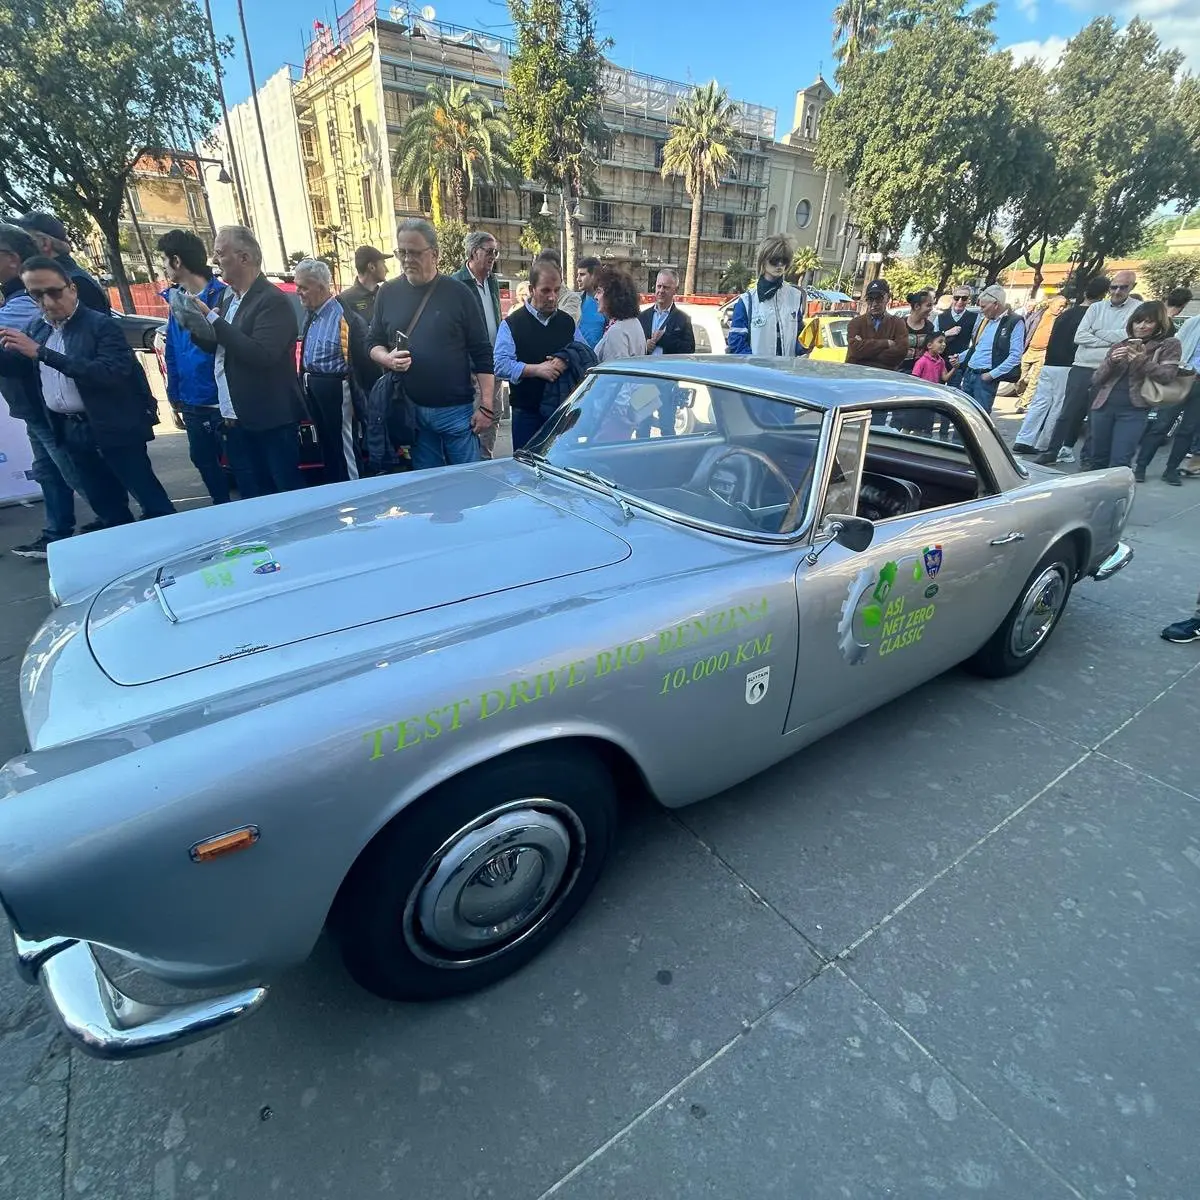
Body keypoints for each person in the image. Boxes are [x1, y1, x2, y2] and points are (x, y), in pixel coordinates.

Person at [0, 256, 174, 527]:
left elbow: (108, 374)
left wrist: (43, 354)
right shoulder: (38, 328)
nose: (47, 302)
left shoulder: (101, 325)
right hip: (70, 431)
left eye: (54, 292)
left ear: (72, 288)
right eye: (36, 295)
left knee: (151, 501)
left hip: (112, 427)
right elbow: (17, 365)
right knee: (106, 507)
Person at [174, 225, 306, 498]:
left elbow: (261, 354)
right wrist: (195, 324)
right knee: (253, 496)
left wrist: (213, 319)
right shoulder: (227, 297)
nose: (214, 261)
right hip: (235, 418)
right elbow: (221, 346)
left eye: (220, 253)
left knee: (285, 494)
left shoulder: (272, 301)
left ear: (244, 258)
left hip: (270, 420)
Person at [367, 218, 495, 470]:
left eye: (414, 252)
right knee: (430, 491)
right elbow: (372, 342)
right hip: (411, 412)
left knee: (467, 483)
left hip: (456, 413)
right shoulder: (387, 293)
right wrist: (387, 359)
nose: (406, 259)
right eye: (401, 252)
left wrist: (487, 407)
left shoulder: (459, 294)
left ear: (435, 254)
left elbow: (482, 353)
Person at [0, 223, 94, 557]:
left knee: (70, 470)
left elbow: (23, 356)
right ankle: (57, 532)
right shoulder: (15, 297)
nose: (44, 300)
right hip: (33, 404)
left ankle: (116, 521)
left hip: (45, 403)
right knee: (49, 470)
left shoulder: (22, 300)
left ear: (11, 258)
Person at [156, 228, 230, 504]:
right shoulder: (176, 301)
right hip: (192, 400)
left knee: (241, 467)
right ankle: (221, 508)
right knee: (202, 459)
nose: (164, 268)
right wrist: (174, 393)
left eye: (164, 261)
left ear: (176, 261)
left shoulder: (222, 297)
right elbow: (173, 349)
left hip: (221, 401)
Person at [1035, 270, 1138, 466]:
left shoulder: (1137, 309)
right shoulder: (1096, 308)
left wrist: (1097, 333)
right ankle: (1051, 451)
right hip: (1082, 366)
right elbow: (1079, 336)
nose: (1116, 291)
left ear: (1132, 287)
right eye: (1113, 287)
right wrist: (1111, 339)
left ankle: (1088, 457)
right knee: (1067, 412)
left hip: (1111, 369)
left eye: (1122, 287)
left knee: (1096, 416)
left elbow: (1127, 337)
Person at [295, 257, 377, 485]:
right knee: (328, 448)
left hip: (337, 389)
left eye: (303, 287)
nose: (298, 292)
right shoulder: (311, 315)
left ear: (320, 287)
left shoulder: (345, 317)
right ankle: (336, 494)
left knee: (344, 447)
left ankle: (355, 493)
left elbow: (365, 364)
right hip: (315, 389)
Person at [493, 258, 590, 450]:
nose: (552, 297)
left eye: (556, 290)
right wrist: (536, 370)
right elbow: (500, 365)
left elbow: (585, 353)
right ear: (531, 290)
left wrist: (566, 358)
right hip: (526, 414)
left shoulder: (566, 322)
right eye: (546, 290)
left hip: (562, 414)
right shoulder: (513, 324)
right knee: (526, 472)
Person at [1013, 277, 1109, 456]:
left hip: (1049, 362)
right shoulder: (1090, 316)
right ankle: (1045, 443)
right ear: (1104, 295)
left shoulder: (1066, 314)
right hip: (1068, 366)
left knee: (1040, 403)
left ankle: (1024, 439)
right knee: (1058, 406)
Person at [1083, 301, 1180, 471]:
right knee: (1097, 460)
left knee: (1120, 462)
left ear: (1159, 324)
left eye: (1148, 322)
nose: (1142, 326)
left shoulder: (1168, 344)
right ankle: (1096, 497)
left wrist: (1141, 360)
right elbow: (1096, 379)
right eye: (1138, 321)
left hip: (1134, 410)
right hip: (1103, 407)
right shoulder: (1120, 344)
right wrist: (1111, 361)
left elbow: (1167, 376)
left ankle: (1116, 497)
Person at [1134, 303, 1200, 484]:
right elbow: (1177, 343)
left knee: (1188, 429)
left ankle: (1171, 470)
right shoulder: (1194, 322)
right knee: (1161, 426)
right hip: (1182, 377)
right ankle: (1141, 466)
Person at [451, 230, 503, 459]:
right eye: (489, 252)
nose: (493, 257)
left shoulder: (492, 281)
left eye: (495, 252)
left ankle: (486, 458)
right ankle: (474, 463)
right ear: (474, 252)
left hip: (495, 363)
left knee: (495, 413)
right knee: (477, 418)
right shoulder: (456, 283)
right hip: (473, 368)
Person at [727, 235, 807, 359]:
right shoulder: (747, 301)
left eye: (784, 260)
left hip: (787, 372)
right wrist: (754, 367)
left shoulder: (796, 296)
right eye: (774, 260)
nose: (780, 264)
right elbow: (736, 342)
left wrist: (805, 346)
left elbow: (799, 336)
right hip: (757, 374)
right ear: (763, 260)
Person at [13, 212, 109, 314]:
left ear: (44, 242)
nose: (18, 250)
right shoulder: (69, 277)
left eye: (25, 242)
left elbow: (89, 328)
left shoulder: (74, 281)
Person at [957, 284, 1024, 414]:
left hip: (984, 377)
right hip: (970, 373)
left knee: (978, 419)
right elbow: (978, 347)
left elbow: (1015, 356)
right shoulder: (986, 321)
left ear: (995, 304)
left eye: (983, 307)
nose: (981, 310)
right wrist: (960, 357)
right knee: (963, 416)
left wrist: (991, 375)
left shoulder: (1014, 321)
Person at [1015, 294, 1067, 411]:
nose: (1061, 309)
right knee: (1018, 377)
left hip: (1044, 352)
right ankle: (1022, 394)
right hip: (1029, 349)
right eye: (1060, 306)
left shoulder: (1061, 319)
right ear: (1051, 304)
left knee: (1035, 379)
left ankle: (1023, 404)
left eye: (1063, 307)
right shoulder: (1039, 314)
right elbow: (1027, 328)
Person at [846, 279, 907, 371]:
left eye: (879, 298)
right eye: (870, 299)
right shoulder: (855, 323)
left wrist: (865, 352)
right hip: (857, 376)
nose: (874, 304)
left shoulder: (898, 323)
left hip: (884, 378)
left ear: (888, 298)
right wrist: (886, 343)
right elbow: (854, 350)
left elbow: (901, 352)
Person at [593, 265, 647, 362]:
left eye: (599, 292)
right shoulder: (634, 323)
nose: (595, 297)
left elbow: (614, 372)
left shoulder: (617, 331)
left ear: (612, 295)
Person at [639, 269, 695, 356]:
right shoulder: (642, 316)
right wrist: (644, 346)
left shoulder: (683, 319)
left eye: (666, 287)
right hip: (646, 368)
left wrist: (665, 339)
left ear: (675, 290)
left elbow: (689, 349)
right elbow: (632, 344)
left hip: (668, 368)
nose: (661, 291)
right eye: (659, 286)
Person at [935, 287, 978, 385]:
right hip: (939, 363)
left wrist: (960, 357)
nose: (960, 301)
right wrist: (945, 333)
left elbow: (976, 343)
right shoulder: (940, 317)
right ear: (952, 298)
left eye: (964, 298)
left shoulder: (975, 318)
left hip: (958, 366)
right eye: (957, 297)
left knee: (952, 395)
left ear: (968, 300)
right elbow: (932, 339)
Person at [338, 245, 390, 324]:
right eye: (383, 264)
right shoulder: (345, 300)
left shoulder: (387, 294)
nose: (387, 270)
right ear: (371, 267)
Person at [898, 290, 935, 374]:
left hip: (919, 374)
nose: (931, 309)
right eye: (928, 305)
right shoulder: (899, 324)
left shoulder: (930, 327)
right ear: (917, 306)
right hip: (897, 373)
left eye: (932, 305)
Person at [575, 257, 606, 348]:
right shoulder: (576, 301)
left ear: (594, 276)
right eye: (578, 275)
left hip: (600, 359)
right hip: (577, 357)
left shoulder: (607, 303)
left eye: (582, 274)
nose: (578, 279)